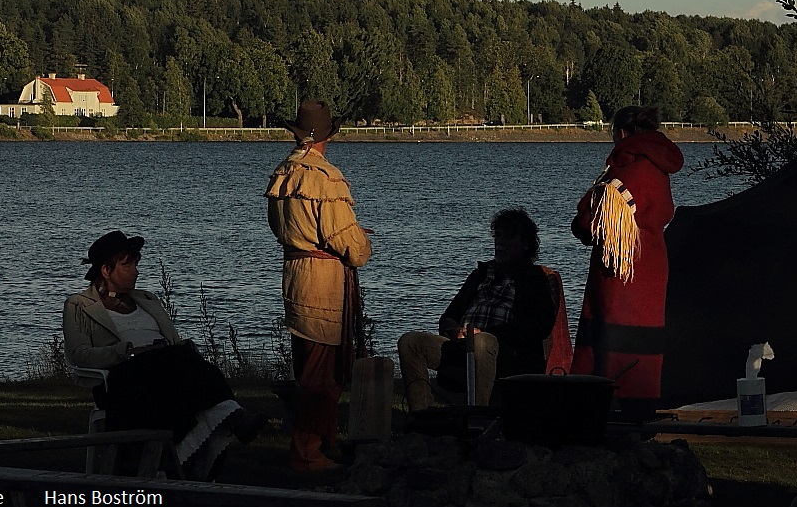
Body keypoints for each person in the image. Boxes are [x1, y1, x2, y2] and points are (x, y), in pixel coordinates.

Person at [63, 230, 267, 481]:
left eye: (135, 264)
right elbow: (79, 354)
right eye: (128, 265)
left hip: (165, 371)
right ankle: (234, 417)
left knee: (183, 355)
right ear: (106, 270)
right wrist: (127, 352)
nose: (135, 271)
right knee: (178, 358)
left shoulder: (147, 300)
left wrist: (178, 348)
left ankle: (226, 421)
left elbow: (174, 343)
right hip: (124, 376)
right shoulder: (79, 305)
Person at [265, 100, 373, 471]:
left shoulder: (283, 172)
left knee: (311, 364)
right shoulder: (323, 177)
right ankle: (307, 451)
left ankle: (323, 441)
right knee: (320, 373)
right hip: (323, 283)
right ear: (328, 135)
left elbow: (288, 228)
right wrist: (361, 242)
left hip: (296, 275)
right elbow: (351, 246)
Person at [570, 106, 684, 421]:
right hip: (652, 262)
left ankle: (605, 413)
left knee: (612, 342)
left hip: (620, 269)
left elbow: (589, 220)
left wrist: (582, 218)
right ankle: (641, 412)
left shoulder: (626, 172)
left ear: (621, 133)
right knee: (643, 342)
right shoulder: (659, 171)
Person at [397, 208, 558, 411]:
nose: (499, 243)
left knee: (482, 342)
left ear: (525, 245)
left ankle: (477, 413)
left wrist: (487, 334)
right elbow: (448, 315)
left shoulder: (535, 279)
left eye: (508, 238)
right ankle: (422, 412)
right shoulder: (481, 274)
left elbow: (540, 326)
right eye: (497, 236)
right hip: (463, 344)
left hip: (506, 352)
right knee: (411, 342)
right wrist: (455, 331)